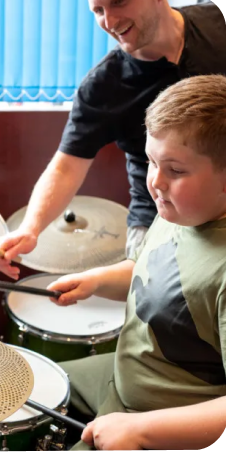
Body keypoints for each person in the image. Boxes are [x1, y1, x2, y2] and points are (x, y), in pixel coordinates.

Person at [44, 74, 226, 451]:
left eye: (175, 170)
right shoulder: (180, 210)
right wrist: (95, 281)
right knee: (18, 381)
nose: (155, 181)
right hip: (121, 377)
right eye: (151, 161)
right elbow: (156, 277)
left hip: (163, 421)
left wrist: (140, 430)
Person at [0, 0, 226, 280]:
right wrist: (31, 228)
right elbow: (66, 167)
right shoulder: (102, 87)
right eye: (98, 10)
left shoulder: (217, 21)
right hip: (158, 215)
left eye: (119, 2)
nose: (109, 21)